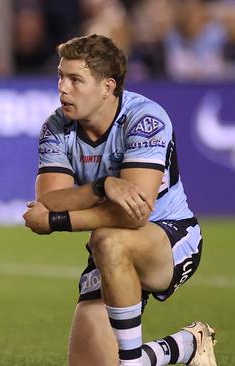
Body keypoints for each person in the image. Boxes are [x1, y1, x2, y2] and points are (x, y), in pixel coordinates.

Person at [22, 34, 217, 366]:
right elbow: (51, 199)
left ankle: (132, 362)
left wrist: (55, 222)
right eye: (60, 76)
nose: (62, 88)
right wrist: (102, 187)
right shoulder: (56, 127)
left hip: (169, 236)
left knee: (110, 239)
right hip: (106, 249)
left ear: (107, 86)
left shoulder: (144, 120)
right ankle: (187, 344)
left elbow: (133, 216)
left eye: (75, 79)